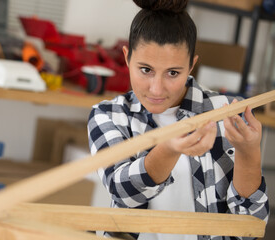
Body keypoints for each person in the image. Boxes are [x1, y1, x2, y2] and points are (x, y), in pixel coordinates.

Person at [87, 0, 269, 239]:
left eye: (173, 72)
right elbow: (124, 193)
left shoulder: (225, 112)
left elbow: (250, 229)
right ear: (127, 57)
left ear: (191, 65)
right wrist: (168, 149)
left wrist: (249, 153)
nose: (156, 88)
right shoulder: (109, 115)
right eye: (145, 70)